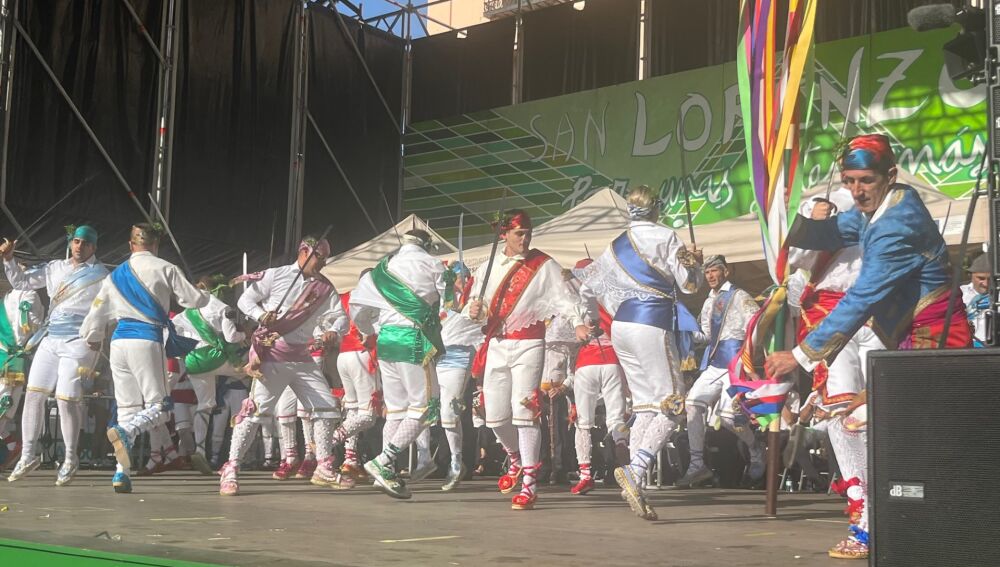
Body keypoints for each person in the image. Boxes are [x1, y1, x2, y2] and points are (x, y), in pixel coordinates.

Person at [765, 134, 972, 560]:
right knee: (852, 420)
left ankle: (876, 523)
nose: (857, 190)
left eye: (865, 180)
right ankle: (880, 520)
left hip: (933, 343)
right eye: (849, 181)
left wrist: (800, 355)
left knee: (867, 425)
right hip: (905, 338)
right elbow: (832, 232)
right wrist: (789, 218)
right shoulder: (881, 207)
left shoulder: (895, 225)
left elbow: (860, 298)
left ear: (889, 175)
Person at [578, 185, 703, 520]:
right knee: (675, 404)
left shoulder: (615, 245)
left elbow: (587, 286)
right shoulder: (666, 236)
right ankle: (636, 470)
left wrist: (589, 318)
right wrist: (695, 264)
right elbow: (689, 286)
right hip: (651, 322)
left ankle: (637, 485)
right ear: (656, 209)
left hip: (621, 327)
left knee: (647, 405)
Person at [466, 210, 589, 511]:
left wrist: (577, 322)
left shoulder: (542, 265)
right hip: (497, 344)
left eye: (528, 232)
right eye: (519, 233)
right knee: (493, 417)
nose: (526, 238)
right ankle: (517, 458)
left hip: (530, 343)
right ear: (504, 235)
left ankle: (530, 484)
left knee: (525, 410)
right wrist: (473, 310)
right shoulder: (487, 267)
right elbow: (475, 305)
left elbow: (566, 297)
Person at [79, 223, 208, 493]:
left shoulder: (113, 276)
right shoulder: (165, 267)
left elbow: (96, 313)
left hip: (119, 342)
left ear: (130, 245)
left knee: (127, 408)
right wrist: (204, 294)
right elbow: (194, 300)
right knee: (160, 407)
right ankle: (128, 432)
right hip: (146, 339)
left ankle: (121, 473)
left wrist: (91, 334)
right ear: (156, 244)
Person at [219, 235, 349, 495]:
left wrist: (334, 330)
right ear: (303, 252)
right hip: (273, 354)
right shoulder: (275, 275)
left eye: (324, 259)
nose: (321, 264)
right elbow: (246, 301)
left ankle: (323, 465)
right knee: (255, 412)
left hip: (303, 357)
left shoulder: (324, 287)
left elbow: (340, 317)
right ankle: (231, 467)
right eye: (318, 258)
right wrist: (260, 315)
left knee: (326, 407)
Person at [4, 226, 109, 486]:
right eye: (76, 241)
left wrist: (98, 335)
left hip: (79, 340)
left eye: (85, 243)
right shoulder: (54, 268)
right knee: (34, 394)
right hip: (51, 338)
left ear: (93, 248)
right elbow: (22, 282)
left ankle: (71, 458)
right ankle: (28, 454)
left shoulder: (101, 275)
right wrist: (8, 259)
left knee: (66, 399)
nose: (79, 246)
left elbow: (109, 308)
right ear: (70, 243)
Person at [350, 229, 446, 499]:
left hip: (386, 342)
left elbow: (357, 310)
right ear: (427, 245)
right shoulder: (432, 264)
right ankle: (383, 461)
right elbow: (453, 303)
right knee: (426, 408)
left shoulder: (380, 269)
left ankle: (386, 469)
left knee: (396, 410)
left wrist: (369, 328)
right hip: (413, 341)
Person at [676, 255, 762, 489]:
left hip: (735, 361)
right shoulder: (707, 301)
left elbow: (756, 325)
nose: (711, 276)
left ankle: (755, 449)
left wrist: (748, 359)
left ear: (726, 272)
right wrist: (683, 325)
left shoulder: (739, 296)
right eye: (707, 272)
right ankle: (696, 464)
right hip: (715, 363)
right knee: (693, 403)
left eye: (715, 271)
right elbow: (705, 336)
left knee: (726, 417)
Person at [553, 258, 627, 495]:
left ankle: (586, 475)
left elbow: (563, 334)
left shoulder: (577, 300)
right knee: (616, 419)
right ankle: (626, 470)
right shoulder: (614, 298)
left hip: (587, 363)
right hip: (612, 361)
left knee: (583, 423)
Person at [172, 274, 246, 474]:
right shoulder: (222, 308)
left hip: (193, 362)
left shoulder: (184, 313)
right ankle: (239, 452)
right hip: (214, 358)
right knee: (247, 372)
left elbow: (171, 333)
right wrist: (244, 335)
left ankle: (200, 450)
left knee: (205, 404)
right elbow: (231, 337)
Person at [435, 260, 482, 490]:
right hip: (437, 358)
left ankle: (456, 462)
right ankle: (439, 459)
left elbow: (479, 320)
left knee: (449, 410)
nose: (459, 282)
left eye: (463, 278)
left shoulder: (473, 300)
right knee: (437, 412)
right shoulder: (443, 301)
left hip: (460, 357)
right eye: (455, 278)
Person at [335, 271, 381, 483]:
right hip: (361, 354)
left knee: (353, 409)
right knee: (368, 414)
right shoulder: (375, 296)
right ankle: (331, 439)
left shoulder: (344, 296)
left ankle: (350, 459)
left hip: (343, 356)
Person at [0, 284, 43, 471]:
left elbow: (34, 325)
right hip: (4, 355)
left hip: (11, 359)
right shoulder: (6, 298)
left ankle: (13, 447)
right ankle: (12, 446)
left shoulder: (29, 296)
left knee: (4, 403)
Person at [961, 253, 990, 347]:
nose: (986, 284)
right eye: (981, 278)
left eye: (990, 279)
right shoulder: (958, 294)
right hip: (966, 349)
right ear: (970, 275)